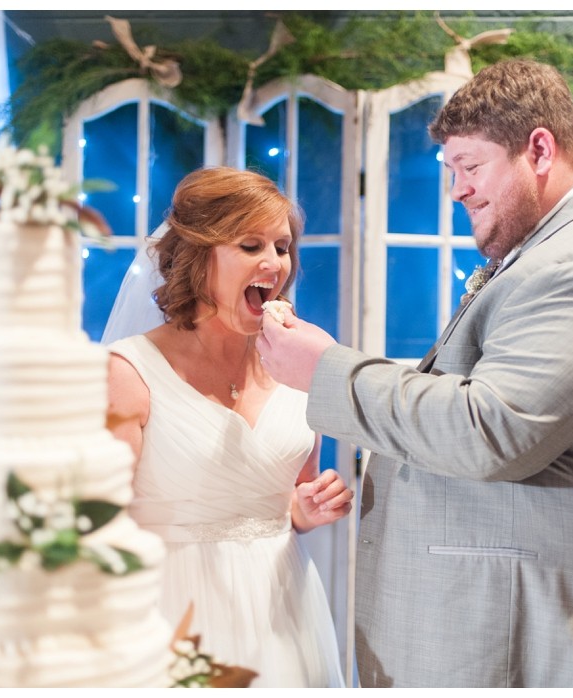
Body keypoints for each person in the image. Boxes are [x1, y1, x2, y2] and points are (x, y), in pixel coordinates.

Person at [257, 59, 573, 687]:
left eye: (470, 166)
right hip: (525, 622)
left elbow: (489, 428)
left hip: (559, 632)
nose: (457, 190)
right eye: (452, 171)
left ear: (539, 150)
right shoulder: (551, 253)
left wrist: (326, 371)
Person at [104, 166, 353, 688]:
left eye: (282, 247)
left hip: (283, 612)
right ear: (199, 258)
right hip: (173, 618)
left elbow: (288, 496)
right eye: (250, 245)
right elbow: (100, 527)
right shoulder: (128, 372)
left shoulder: (299, 360)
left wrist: (305, 510)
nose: (274, 264)